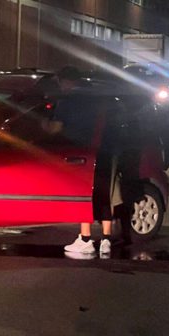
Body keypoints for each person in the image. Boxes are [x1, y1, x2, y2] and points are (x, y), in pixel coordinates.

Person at [57, 66, 115, 256]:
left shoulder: (68, 100)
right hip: (105, 151)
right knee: (104, 194)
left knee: (85, 195)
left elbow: (57, 128)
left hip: (83, 152)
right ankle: (106, 240)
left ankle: (85, 239)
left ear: (66, 81)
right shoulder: (96, 97)